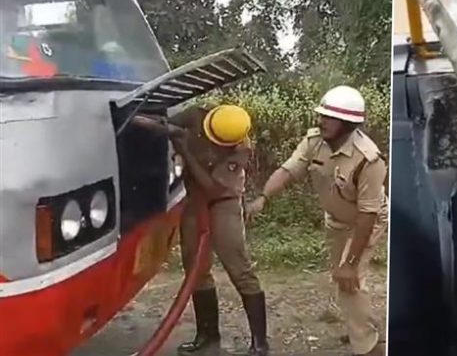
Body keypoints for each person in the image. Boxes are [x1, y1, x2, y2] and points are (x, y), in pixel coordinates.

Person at [246, 86, 388, 356]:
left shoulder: (369, 159)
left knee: (350, 279)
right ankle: (362, 327)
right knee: (342, 278)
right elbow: (288, 171)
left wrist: (351, 263)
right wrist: (263, 196)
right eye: (321, 115)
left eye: (328, 117)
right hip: (336, 220)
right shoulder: (314, 142)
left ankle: (369, 346)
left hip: (365, 222)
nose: (320, 121)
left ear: (347, 124)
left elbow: (367, 215)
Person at [136, 104, 270, 356]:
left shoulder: (240, 149)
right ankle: (207, 336)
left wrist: (185, 149)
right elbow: (164, 125)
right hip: (194, 199)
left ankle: (260, 342)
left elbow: (213, 188)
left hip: (222, 201)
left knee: (238, 266)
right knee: (195, 267)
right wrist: (153, 126)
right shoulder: (197, 115)